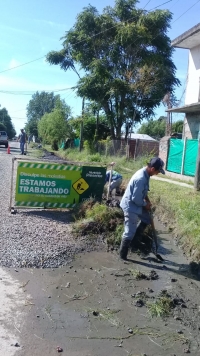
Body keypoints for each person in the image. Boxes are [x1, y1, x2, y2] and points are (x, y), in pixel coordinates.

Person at [119, 157, 165, 260]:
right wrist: (145, 205)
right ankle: (123, 256)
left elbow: (143, 192)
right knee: (129, 232)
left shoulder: (146, 173)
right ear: (153, 169)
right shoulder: (141, 178)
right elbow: (135, 198)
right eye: (158, 171)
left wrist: (147, 200)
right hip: (130, 206)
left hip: (137, 203)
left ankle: (135, 240)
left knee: (147, 218)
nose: (157, 174)